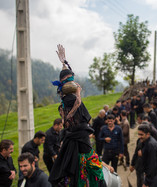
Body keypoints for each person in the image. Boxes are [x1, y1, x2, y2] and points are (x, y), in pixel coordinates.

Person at [49, 44, 104, 187]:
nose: (72, 80)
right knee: (93, 167)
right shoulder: (71, 100)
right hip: (79, 139)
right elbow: (74, 109)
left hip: (72, 137)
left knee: (71, 165)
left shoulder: (62, 101)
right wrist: (79, 92)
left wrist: (64, 62)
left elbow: (67, 75)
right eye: (69, 80)